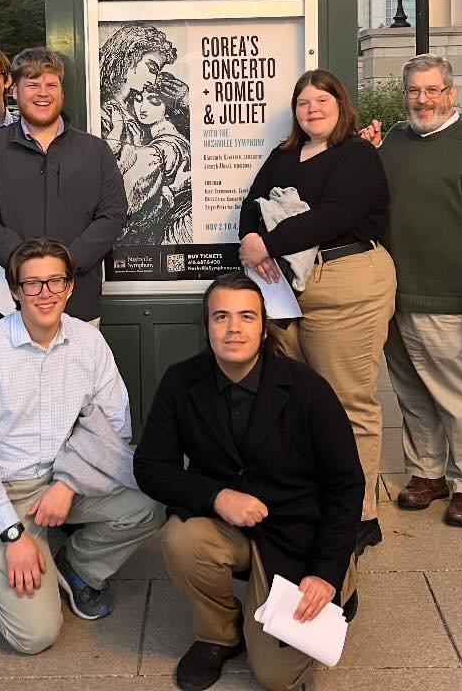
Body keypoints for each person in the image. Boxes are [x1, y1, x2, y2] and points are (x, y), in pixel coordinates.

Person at [135, 272, 363, 691]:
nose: (234, 327)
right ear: (205, 326)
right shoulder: (181, 382)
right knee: (182, 538)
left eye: (246, 316)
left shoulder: (308, 390)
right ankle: (218, 635)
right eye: (220, 316)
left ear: (263, 326)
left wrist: (326, 571)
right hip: (231, 528)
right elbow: (151, 465)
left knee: (276, 679)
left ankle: (343, 583)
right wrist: (216, 496)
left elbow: (346, 485)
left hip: (300, 534)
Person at [0, 238, 163, 654]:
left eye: (55, 281)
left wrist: (67, 483)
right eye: (32, 284)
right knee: (35, 636)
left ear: (70, 287)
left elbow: (113, 425)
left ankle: (77, 567)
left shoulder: (89, 342)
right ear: (13, 291)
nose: (45, 293)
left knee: (151, 503)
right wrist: (12, 534)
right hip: (7, 491)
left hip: (67, 478)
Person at [238, 69, 393, 554]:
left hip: (345, 283)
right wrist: (249, 239)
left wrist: (266, 242)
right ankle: (310, 497)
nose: (313, 109)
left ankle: (360, 514)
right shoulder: (283, 157)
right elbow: (252, 204)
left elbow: (334, 215)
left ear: (340, 105)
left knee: (349, 402)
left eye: (322, 99)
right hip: (284, 290)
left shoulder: (357, 155)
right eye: (303, 102)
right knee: (293, 400)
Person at [362, 54, 462, 528]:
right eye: (414, 90)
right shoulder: (393, 146)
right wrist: (370, 152)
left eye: (432, 90)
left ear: (451, 94)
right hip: (394, 299)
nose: (422, 99)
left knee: (461, 399)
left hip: (450, 303)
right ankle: (427, 474)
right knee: (412, 396)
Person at [0, 48, 127, 325]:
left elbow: (113, 214)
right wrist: (27, 268)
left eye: (51, 84)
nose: (43, 93)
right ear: (14, 90)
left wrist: (64, 265)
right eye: (32, 84)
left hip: (78, 300)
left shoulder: (95, 151)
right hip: (8, 302)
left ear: (61, 92)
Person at [119, 70, 193, 246]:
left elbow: (131, 216)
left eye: (154, 101)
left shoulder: (162, 148)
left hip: (168, 239)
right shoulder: (170, 141)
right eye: (138, 99)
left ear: (168, 108)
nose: (143, 108)